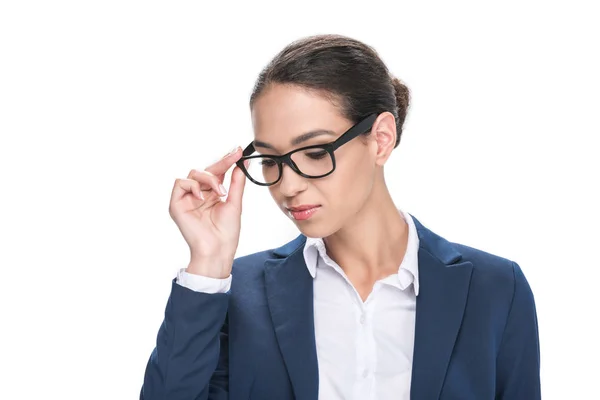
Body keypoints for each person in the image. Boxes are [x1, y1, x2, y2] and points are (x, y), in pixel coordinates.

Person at [140, 34, 540, 400]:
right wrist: (208, 264)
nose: (288, 185)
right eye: (271, 160)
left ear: (381, 138)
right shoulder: (238, 295)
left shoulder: (495, 290)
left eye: (314, 153)